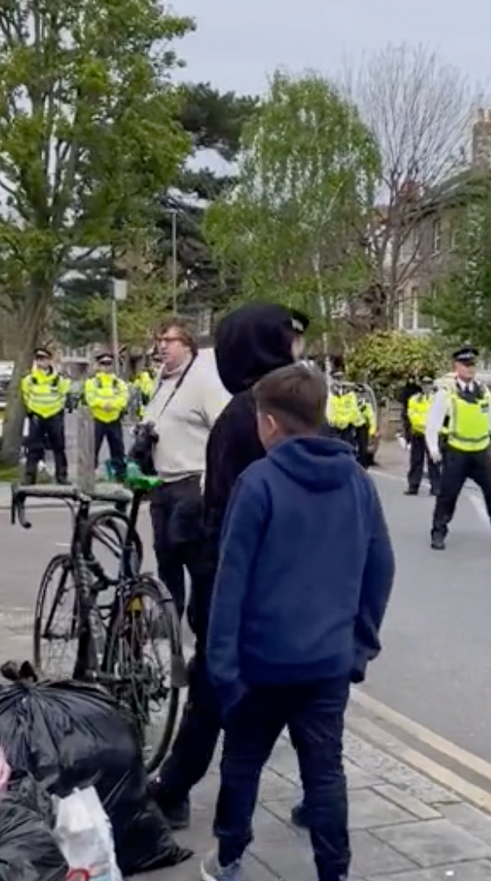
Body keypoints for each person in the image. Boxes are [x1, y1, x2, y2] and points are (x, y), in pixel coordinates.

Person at [201, 363, 395, 881]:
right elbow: (381, 567)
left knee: (242, 763)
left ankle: (229, 858)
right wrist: (360, 647)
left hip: (260, 663)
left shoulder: (258, 482)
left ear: (267, 423)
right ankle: (334, 871)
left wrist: (222, 668)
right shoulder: (357, 480)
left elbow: (230, 584)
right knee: (325, 772)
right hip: (328, 662)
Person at [150, 302, 308, 831]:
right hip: (289, 577)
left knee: (215, 691)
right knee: (304, 697)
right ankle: (318, 796)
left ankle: (173, 789)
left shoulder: (246, 412)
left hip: (240, 578)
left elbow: (223, 507)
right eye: (290, 336)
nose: (297, 346)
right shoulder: (290, 407)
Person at [144, 317, 229, 631]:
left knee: (191, 553)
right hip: (162, 482)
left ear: (188, 346)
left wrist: (211, 479)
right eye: (160, 340)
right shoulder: (161, 380)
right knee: (165, 554)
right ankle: (169, 618)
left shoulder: (204, 382)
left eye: (170, 340)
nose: (162, 346)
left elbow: (223, 430)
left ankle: (202, 618)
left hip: (193, 482)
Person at [426, 346, 491, 551]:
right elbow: (434, 422)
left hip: (481, 453)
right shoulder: (447, 392)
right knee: (447, 495)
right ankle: (438, 532)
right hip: (457, 452)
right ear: (456, 367)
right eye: (465, 365)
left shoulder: (484, 391)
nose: (469, 369)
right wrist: (433, 448)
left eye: (472, 365)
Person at [20, 347, 71, 484]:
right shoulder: (29, 379)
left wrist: (58, 409)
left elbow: (64, 395)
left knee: (59, 447)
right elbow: (26, 395)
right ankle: (29, 477)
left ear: (49, 361)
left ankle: (61, 476)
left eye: (43, 359)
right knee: (33, 448)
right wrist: (31, 409)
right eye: (38, 359)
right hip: (37, 415)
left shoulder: (58, 380)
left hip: (54, 415)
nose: (40, 362)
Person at [83, 351, 129, 479]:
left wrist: (113, 405)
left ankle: (120, 475)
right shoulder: (92, 382)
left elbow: (124, 398)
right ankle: (90, 474)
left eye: (109, 363)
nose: (106, 367)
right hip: (98, 418)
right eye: (103, 363)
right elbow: (90, 398)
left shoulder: (119, 383)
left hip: (114, 419)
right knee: (93, 448)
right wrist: (104, 404)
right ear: (98, 365)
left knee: (118, 448)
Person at [403, 378, 440, 496]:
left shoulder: (437, 399)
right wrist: (423, 424)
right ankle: (413, 486)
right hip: (418, 433)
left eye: (428, 384)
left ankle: (436, 487)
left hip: (433, 434)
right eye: (424, 385)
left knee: (434, 461)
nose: (426, 387)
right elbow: (412, 414)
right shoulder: (415, 399)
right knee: (416, 461)